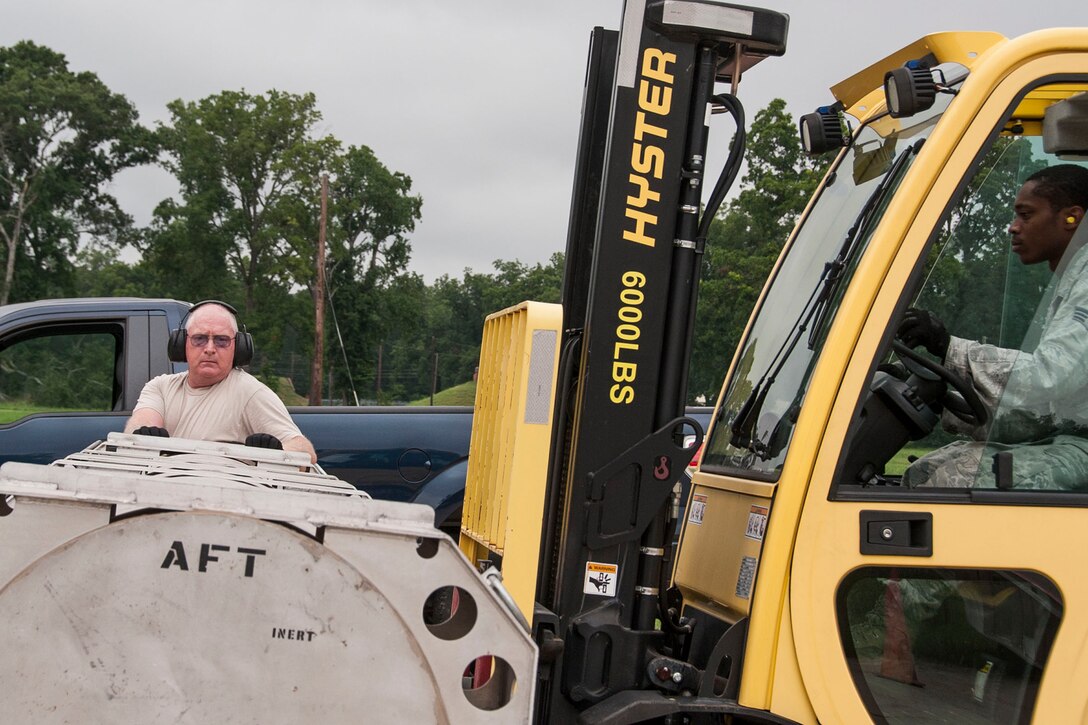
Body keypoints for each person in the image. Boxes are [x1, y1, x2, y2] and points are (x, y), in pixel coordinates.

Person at [897, 163, 1088, 489]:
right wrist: (948, 397)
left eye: (1026, 215)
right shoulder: (1068, 283)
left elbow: (1049, 378)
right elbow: (1044, 412)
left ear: (1072, 217)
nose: (1013, 227)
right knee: (926, 470)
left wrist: (948, 347)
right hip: (1069, 441)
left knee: (957, 478)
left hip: (1079, 447)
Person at [124, 301, 317, 463]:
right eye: (199, 339)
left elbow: (305, 452)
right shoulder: (160, 387)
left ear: (238, 347)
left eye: (221, 340)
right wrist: (142, 437)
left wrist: (278, 452)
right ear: (182, 343)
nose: (209, 348)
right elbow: (138, 428)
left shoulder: (250, 393)